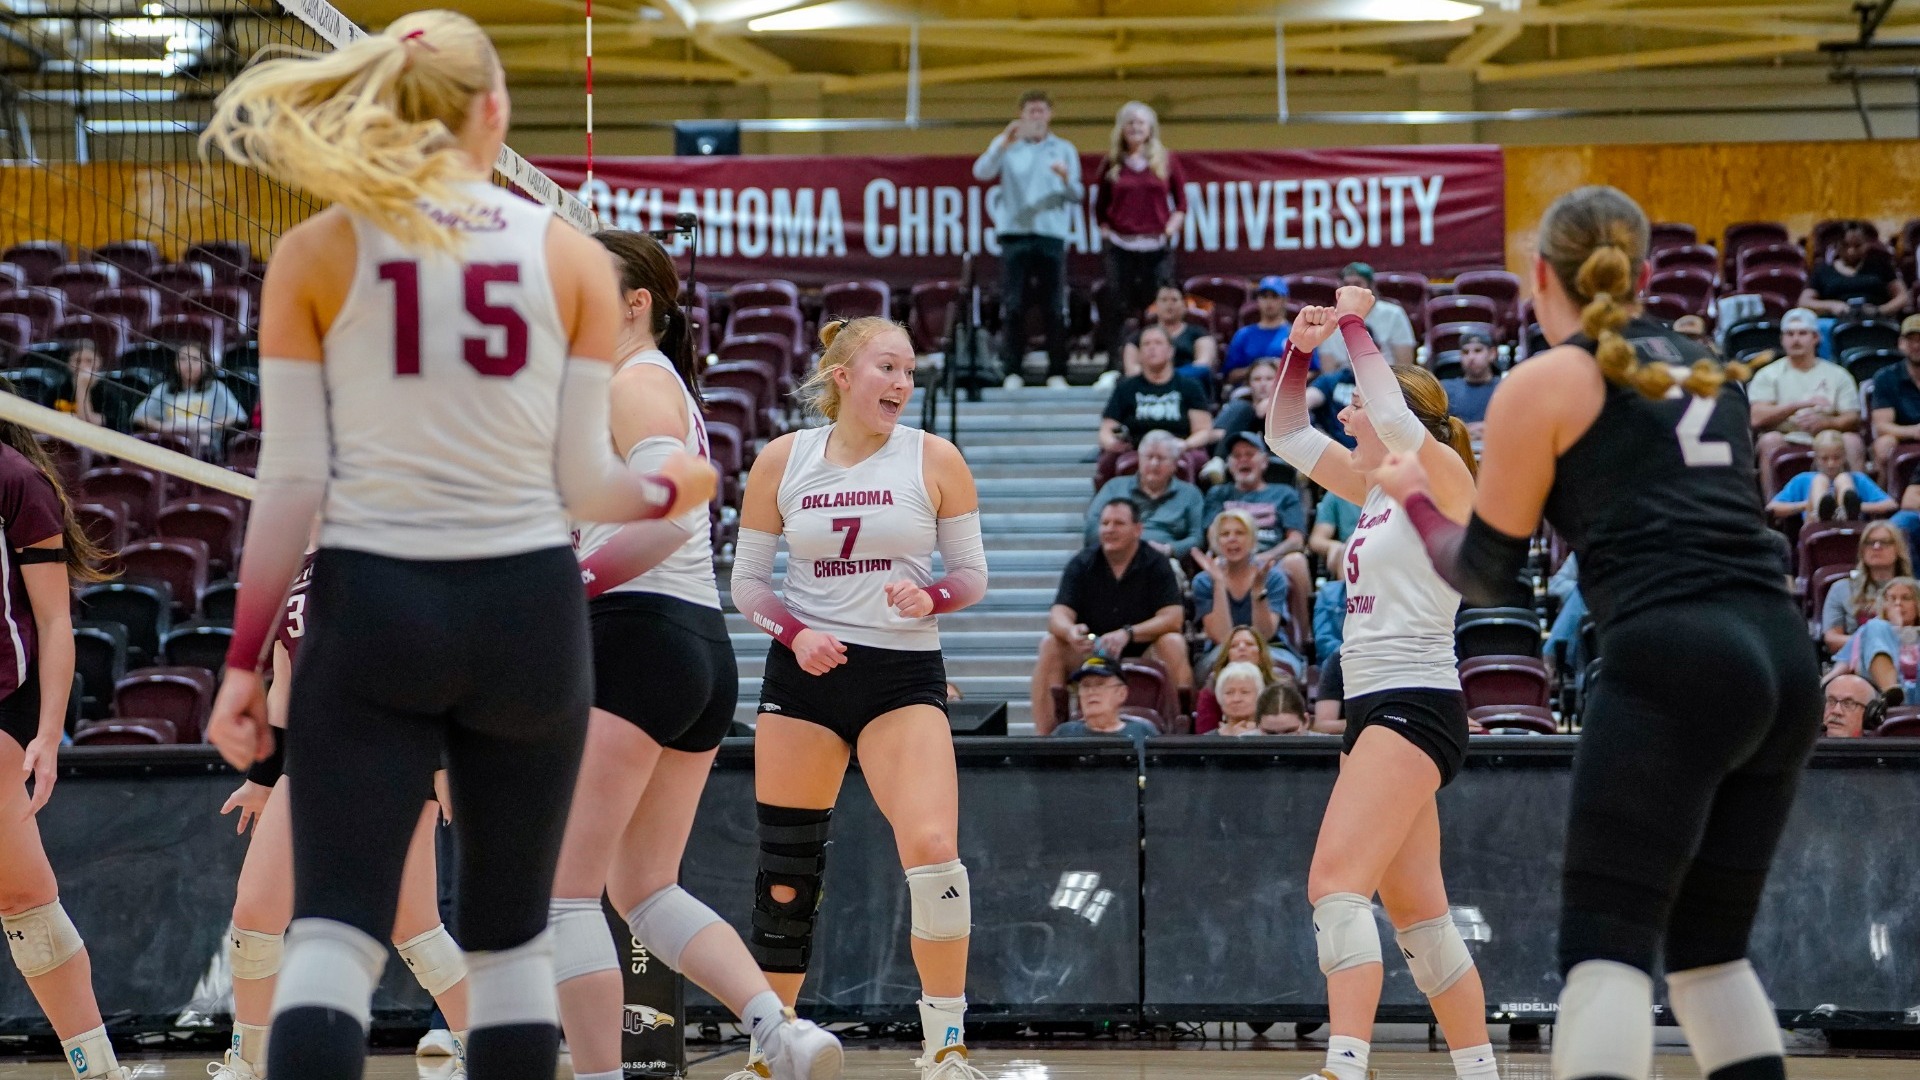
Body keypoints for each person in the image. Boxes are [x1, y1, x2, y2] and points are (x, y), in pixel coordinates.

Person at [198, 13, 717, 1080]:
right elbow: (591, 487)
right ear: (495, 113)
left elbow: (290, 483)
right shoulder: (567, 257)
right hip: (526, 612)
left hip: (375, 600)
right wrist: (672, 482)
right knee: (513, 940)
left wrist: (245, 661)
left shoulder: (317, 250)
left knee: (332, 937)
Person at [1377, 185, 1818, 1080]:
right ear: (1647, 273)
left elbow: (1488, 573)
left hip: (1672, 658)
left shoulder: (1545, 381)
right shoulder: (1709, 367)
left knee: (1607, 954)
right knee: (1711, 957)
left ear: (1538, 275)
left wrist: (1415, 500)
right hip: (1783, 659)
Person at [550, 232, 842, 1080]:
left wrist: (575, 581)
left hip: (635, 638)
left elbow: (677, 516)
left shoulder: (637, 383)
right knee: (641, 891)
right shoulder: (644, 385)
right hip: (695, 649)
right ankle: (777, 1030)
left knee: (565, 893)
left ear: (636, 303)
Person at [729, 316, 989, 1080]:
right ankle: (770, 1051)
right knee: (786, 870)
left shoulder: (934, 457)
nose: (903, 384)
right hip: (804, 676)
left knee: (935, 852)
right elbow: (747, 583)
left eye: (910, 370)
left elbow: (973, 576)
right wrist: (793, 632)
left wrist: (931, 596)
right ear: (843, 377)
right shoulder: (784, 458)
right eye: (887, 368)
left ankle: (945, 1047)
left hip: (901, 675)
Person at [1264, 286, 1497, 1080]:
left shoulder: (1444, 479)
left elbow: (1395, 420)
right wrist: (1299, 349)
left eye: (1352, 406)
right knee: (1420, 920)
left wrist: (1357, 321)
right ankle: (1481, 1072)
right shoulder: (1370, 492)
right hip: (1376, 709)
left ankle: (1345, 1065)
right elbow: (1285, 431)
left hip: (1414, 702)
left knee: (1334, 882)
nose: (1345, 417)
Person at [212, 558, 471, 1080]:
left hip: (396, 745)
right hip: (312, 754)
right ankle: (247, 1065)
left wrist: (441, 764)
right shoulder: (295, 559)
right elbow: (283, 685)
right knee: (255, 914)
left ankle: (488, 1047)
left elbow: (425, 655)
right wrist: (264, 778)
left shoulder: (385, 539)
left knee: (414, 926)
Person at [0, 423, 121, 1080]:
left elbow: (53, 621)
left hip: (2, 696)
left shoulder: (16, 480)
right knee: (23, 897)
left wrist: (47, 736)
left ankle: (97, 1069)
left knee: (24, 899)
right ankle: (98, 1068)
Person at [1034, 498, 1188, 733]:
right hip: (1092, 651)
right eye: (1105, 523)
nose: (1109, 530)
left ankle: (1181, 735)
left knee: (1173, 643)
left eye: (1118, 523)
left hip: (1143, 648)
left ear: (1137, 529)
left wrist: (1129, 634)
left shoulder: (1157, 563)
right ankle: (1044, 740)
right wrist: (1070, 631)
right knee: (1050, 644)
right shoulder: (1082, 562)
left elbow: (1174, 617)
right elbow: (1058, 614)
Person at [973, 89, 1081, 389]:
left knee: (1054, 306)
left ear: (1050, 114)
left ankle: (1057, 371)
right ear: (1021, 114)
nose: (1036, 116)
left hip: (1051, 235)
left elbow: (1077, 194)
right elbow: (981, 172)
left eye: (1041, 111)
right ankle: (1012, 371)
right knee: (1014, 304)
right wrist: (1001, 144)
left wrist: (1064, 178)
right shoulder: (1008, 145)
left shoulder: (1064, 149)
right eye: (1030, 111)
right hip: (1014, 235)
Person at [1094, 101, 1187, 374]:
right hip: (1121, 247)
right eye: (1130, 123)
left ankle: (1158, 365)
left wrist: (1171, 226)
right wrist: (1107, 234)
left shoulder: (1167, 160)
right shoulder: (1111, 163)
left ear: (1150, 128)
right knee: (1117, 309)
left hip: (1157, 247)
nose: (1135, 128)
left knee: (1158, 310)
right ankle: (1116, 366)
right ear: (1122, 129)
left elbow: (1181, 203)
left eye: (1141, 123)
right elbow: (1099, 208)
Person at [1748, 306, 1863, 493]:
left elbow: (1852, 418)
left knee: (1852, 440)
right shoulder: (1767, 374)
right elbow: (1757, 418)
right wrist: (1796, 406)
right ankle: (1773, 509)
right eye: (1790, 334)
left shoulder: (1838, 374)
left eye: (1802, 333)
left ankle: (1857, 504)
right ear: (1782, 339)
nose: (1796, 339)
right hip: (1786, 436)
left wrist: (1826, 423)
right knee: (1769, 440)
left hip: (1829, 436)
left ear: (1816, 338)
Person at [1204, 432, 1311, 630]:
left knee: (1297, 561)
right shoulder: (1218, 494)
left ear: (1264, 461)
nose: (1243, 459)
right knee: (1214, 564)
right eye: (1236, 456)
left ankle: (1303, 636)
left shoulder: (1284, 493)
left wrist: (1264, 558)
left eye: (1249, 454)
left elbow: (1296, 540)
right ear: (1229, 464)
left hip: (1273, 559)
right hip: (1230, 558)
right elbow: (1213, 536)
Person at [1190, 508, 1298, 674]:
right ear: (1217, 542)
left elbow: (1264, 636)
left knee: (1277, 670)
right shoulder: (1204, 581)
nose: (1232, 539)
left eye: (1240, 533)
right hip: (1221, 651)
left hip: (1271, 647)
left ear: (1253, 541)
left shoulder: (1273, 577)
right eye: (1225, 534)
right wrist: (1219, 583)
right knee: (1221, 668)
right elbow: (1222, 637)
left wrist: (1257, 592)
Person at [1098, 325, 1213, 466]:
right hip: (1135, 449)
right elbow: (1107, 429)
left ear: (1171, 351)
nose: (1152, 348)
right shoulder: (1125, 388)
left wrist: (1185, 445)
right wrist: (1112, 443)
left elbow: (1203, 430)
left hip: (1180, 448)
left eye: (1158, 343)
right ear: (1139, 354)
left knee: (1199, 460)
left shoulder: (1190, 386)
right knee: (1106, 462)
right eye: (1146, 344)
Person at [1084, 430, 1204, 558]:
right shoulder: (1114, 487)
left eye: (1161, 458)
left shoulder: (1191, 493)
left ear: (1174, 464)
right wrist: (1123, 545)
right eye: (1149, 457)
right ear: (1139, 460)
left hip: (1165, 560)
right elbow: (1092, 526)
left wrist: (1169, 549)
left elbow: (1197, 538)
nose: (1154, 463)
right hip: (1117, 556)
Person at [131, 342, 246, 455]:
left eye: (195, 359)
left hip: (205, 445)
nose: (188, 364)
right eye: (183, 359)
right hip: (170, 442)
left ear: (206, 365)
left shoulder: (216, 389)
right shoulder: (164, 389)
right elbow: (138, 416)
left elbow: (237, 416)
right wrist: (162, 427)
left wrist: (205, 426)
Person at [1821, 519, 1912, 656]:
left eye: (1885, 542)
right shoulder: (1840, 589)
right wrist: (1875, 642)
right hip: (1855, 663)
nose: (1876, 547)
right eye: (1869, 543)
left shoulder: (1915, 590)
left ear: (1898, 549)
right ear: (1862, 550)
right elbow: (1832, 640)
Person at [1765, 429, 1894, 523]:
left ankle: (1847, 510)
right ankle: (1821, 511)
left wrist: (1857, 506)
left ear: (1844, 456)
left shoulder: (1858, 478)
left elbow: (1890, 504)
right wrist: (1806, 505)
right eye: (1824, 459)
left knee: (1843, 479)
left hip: (1850, 526)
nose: (1831, 464)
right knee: (1820, 480)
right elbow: (1772, 508)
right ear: (1816, 458)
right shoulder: (1802, 479)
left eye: (1836, 458)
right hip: (1815, 527)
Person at [1314, 263, 1417, 370]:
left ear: (1370, 287)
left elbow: (1405, 365)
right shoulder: (1330, 319)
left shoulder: (1394, 314)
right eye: (1346, 284)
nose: (1351, 289)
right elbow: (1328, 371)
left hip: (1387, 377)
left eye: (1357, 284)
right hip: (1345, 381)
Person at [1831, 576, 1920, 697]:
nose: (1898, 603)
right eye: (1892, 599)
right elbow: (1839, 670)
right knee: (1876, 626)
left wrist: (1900, 629)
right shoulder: (1869, 630)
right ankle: (1891, 693)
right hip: (1878, 697)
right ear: (1884, 604)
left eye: (1906, 598)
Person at [1801, 224, 1909, 321]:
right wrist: (1832, 306)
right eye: (1845, 245)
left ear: (1866, 244)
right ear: (1837, 245)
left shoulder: (1881, 266)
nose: (1851, 251)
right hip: (1834, 321)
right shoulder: (1822, 270)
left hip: (1876, 320)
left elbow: (1902, 297)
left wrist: (1880, 310)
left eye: (1857, 246)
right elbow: (1804, 302)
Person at [1192, 626, 1284, 733]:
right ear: (1227, 655)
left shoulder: (1279, 689)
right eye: (1234, 645)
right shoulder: (1211, 689)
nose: (1241, 648)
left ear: (1261, 653)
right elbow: (1204, 735)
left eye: (1249, 644)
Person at [1122, 284, 1218, 383]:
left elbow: (1203, 364)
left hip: (1188, 386)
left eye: (1174, 300)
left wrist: (1168, 378)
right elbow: (1131, 369)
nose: (1169, 304)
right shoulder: (1138, 337)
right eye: (1164, 300)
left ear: (1184, 305)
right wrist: (1157, 380)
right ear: (1156, 306)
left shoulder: (1200, 334)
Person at [1050, 656, 1160, 741]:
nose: (1091, 691)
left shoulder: (1142, 733)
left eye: (1100, 685)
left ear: (1121, 693)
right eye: (1085, 686)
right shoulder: (1064, 734)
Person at [1868, 314, 1920, 480]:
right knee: (1883, 444)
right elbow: (1882, 425)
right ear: (1901, 344)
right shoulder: (1886, 377)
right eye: (1911, 340)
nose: (1917, 345)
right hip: (1903, 436)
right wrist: (1914, 432)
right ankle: (1885, 500)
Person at [1222, 277, 1295, 385]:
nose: (1269, 302)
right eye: (1264, 296)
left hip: (1286, 392)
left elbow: (1313, 371)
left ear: (1284, 300)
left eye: (1274, 296)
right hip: (1248, 392)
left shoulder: (1296, 334)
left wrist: (1286, 371)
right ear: (1258, 300)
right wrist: (1256, 369)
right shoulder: (1244, 335)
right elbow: (1229, 376)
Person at [1439, 330, 1500, 438]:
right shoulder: (1445, 389)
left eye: (1478, 351)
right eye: (1465, 352)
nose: (1471, 357)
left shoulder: (1505, 388)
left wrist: (1491, 428)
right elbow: (1435, 428)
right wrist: (1463, 431)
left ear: (1492, 354)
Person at [55, 339, 106, 427]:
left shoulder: (110, 393)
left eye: (89, 361)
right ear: (69, 363)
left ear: (99, 362)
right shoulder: (55, 391)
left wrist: (82, 386)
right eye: (78, 361)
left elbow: (87, 423)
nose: (83, 366)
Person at [1210, 661, 1270, 736]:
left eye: (1244, 692)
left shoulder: (1273, 735)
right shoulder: (1204, 742)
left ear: (1259, 695)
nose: (1236, 699)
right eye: (1229, 692)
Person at [1821, 673, 1880, 737]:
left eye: (1848, 703)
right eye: (1831, 701)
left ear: (1871, 714)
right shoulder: (1809, 741)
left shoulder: (1882, 746)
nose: (1836, 711)